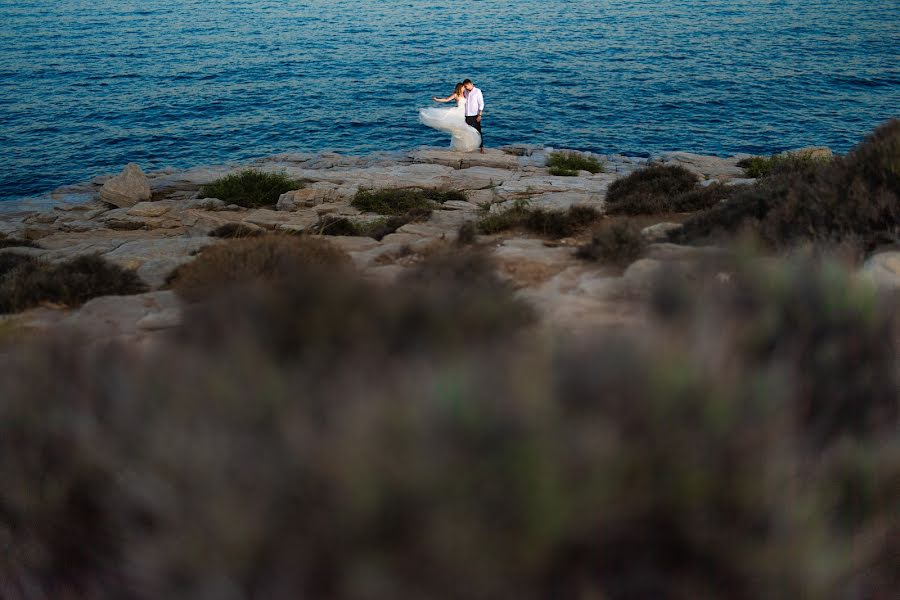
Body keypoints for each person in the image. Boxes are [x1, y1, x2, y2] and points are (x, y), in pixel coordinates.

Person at [418, 82, 482, 152]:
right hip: (458, 113)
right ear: (460, 88)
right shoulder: (456, 95)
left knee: (462, 130)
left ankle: (463, 146)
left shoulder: (465, 94)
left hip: (464, 113)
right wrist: (437, 99)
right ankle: (458, 147)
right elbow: (446, 99)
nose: (465, 88)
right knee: (458, 129)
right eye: (463, 87)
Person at [462, 79, 485, 153]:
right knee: (466, 131)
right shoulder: (465, 91)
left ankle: (481, 148)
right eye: (465, 86)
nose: (466, 88)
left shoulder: (477, 91)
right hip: (466, 115)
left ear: (471, 84)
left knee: (478, 131)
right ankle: (468, 147)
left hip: (475, 115)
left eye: (466, 86)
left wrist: (480, 115)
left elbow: (481, 104)